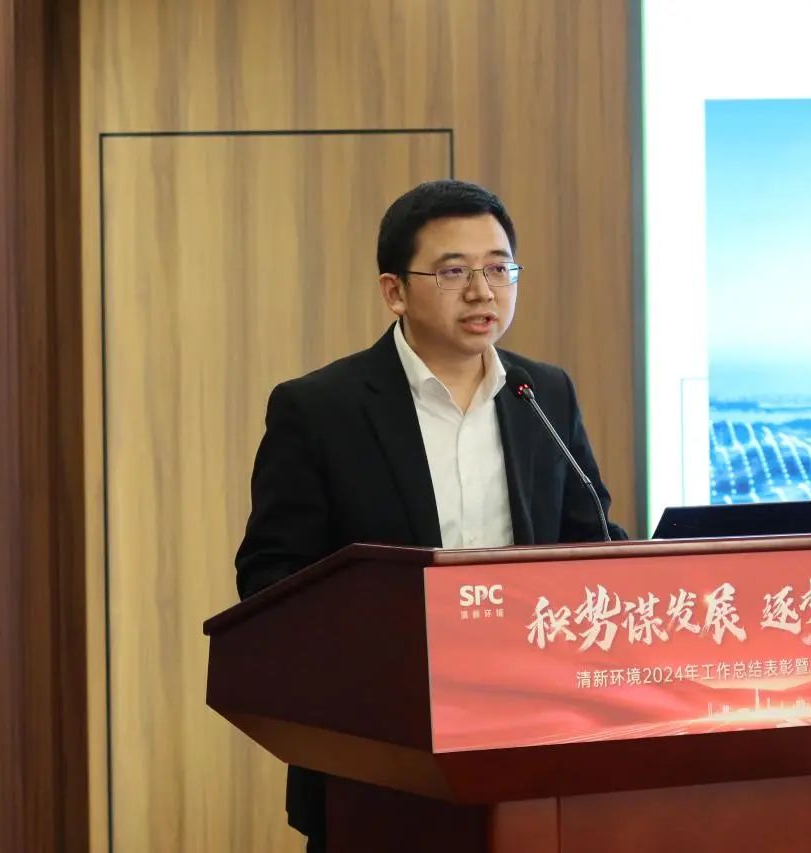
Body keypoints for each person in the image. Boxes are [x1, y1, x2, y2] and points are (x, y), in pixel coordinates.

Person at [234, 178, 627, 850]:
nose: (482, 291)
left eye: (498, 268)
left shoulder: (542, 392)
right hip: (379, 751)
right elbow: (272, 579)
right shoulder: (321, 409)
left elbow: (588, 541)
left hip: (531, 735)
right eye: (453, 272)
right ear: (394, 291)